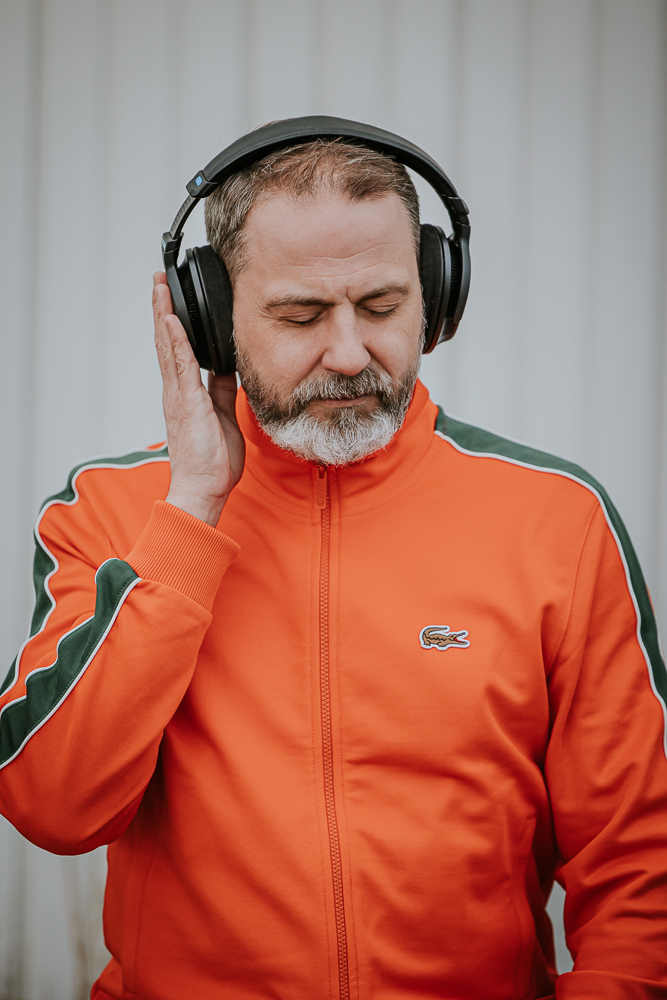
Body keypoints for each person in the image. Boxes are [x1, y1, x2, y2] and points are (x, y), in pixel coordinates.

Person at [0, 122, 666, 1000]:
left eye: (382, 306)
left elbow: (637, 876)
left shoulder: (560, 519)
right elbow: (53, 805)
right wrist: (192, 511)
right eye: (300, 314)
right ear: (211, 319)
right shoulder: (113, 513)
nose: (349, 353)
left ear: (437, 297)